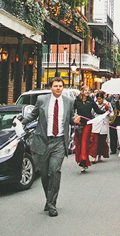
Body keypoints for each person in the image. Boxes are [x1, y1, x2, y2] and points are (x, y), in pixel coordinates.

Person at [16, 77, 79, 217]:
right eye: (55, 86)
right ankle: (48, 198)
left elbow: (69, 119)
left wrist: (74, 119)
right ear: (50, 87)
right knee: (44, 174)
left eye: (60, 86)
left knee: (54, 171)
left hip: (59, 142)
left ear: (63, 88)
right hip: (42, 141)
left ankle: (52, 204)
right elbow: (33, 115)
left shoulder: (69, 102)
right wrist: (21, 121)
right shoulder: (42, 100)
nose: (58, 88)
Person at [72, 85, 101, 172]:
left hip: (88, 123)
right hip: (79, 124)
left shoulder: (91, 101)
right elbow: (72, 111)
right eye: (86, 90)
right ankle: (83, 162)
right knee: (79, 142)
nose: (87, 91)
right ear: (82, 91)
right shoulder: (77, 101)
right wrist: (74, 118)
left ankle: (84, 159)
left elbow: (97, 111)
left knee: (85, 142)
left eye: (88, 90)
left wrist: (106, 112)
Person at [92, 91, 112, 162]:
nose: (99, 100)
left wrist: (108, 113)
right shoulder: (95, 104)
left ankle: (99, 156)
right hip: (97, 123)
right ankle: (94, 157)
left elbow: (111, 113)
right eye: (98, 99)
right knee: (95, 141)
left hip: (104, 123)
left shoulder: (108, 104)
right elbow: (92, 112)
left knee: (102, 141)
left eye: (100, 99)